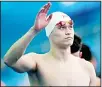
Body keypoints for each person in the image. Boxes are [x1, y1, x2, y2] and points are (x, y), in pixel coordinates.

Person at [4, 2, 96, 86]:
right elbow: (9, 61)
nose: (68, 32)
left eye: (70, 26)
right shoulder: (37, 62)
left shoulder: (87, 67)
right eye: (62, 27)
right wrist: (34, 31)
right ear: (50, 33)